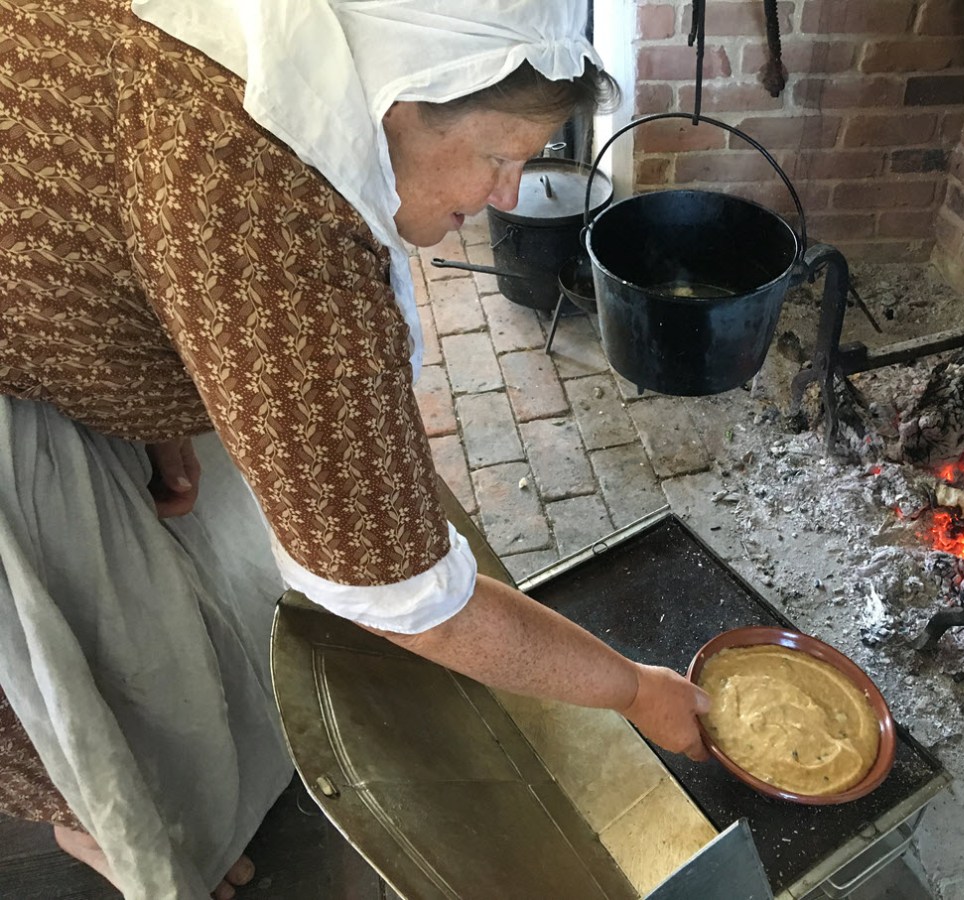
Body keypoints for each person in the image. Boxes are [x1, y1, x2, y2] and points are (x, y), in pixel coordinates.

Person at [0, 1, 710, 898]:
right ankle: (100, 827)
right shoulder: (267, 205)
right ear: (401, 101)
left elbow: (113, 203)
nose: (507, 196)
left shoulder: (273, 63)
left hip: (45, 296)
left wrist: (150, 402)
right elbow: (408, 599)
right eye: (501, 157)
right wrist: (636, 690)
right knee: (56, 667)